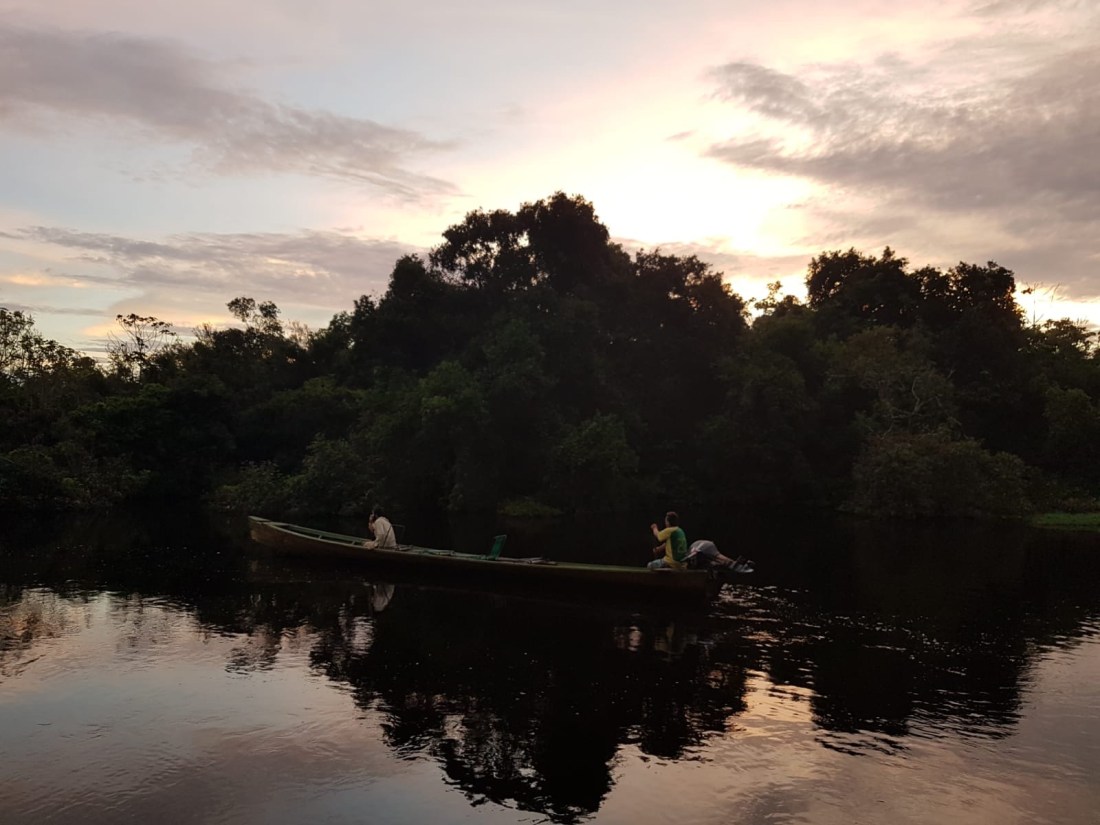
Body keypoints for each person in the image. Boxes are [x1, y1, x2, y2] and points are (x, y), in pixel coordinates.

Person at [685, 539, 751, 570]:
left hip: (700, 547)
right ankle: (736, 563)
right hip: (701, 547)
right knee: (717, 559)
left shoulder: (693, 557)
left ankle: (736, 563)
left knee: (717, 558)